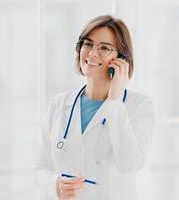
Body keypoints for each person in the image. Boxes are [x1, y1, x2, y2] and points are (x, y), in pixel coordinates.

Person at [34, 15, 155, 200]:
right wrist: (55, 185)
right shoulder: (58, 104)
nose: (91, 53)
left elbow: (129, 165)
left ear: (121, 59)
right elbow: (40, 168)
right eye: (88, 44)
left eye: (104, 48)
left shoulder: (140, 106)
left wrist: (114, 100)